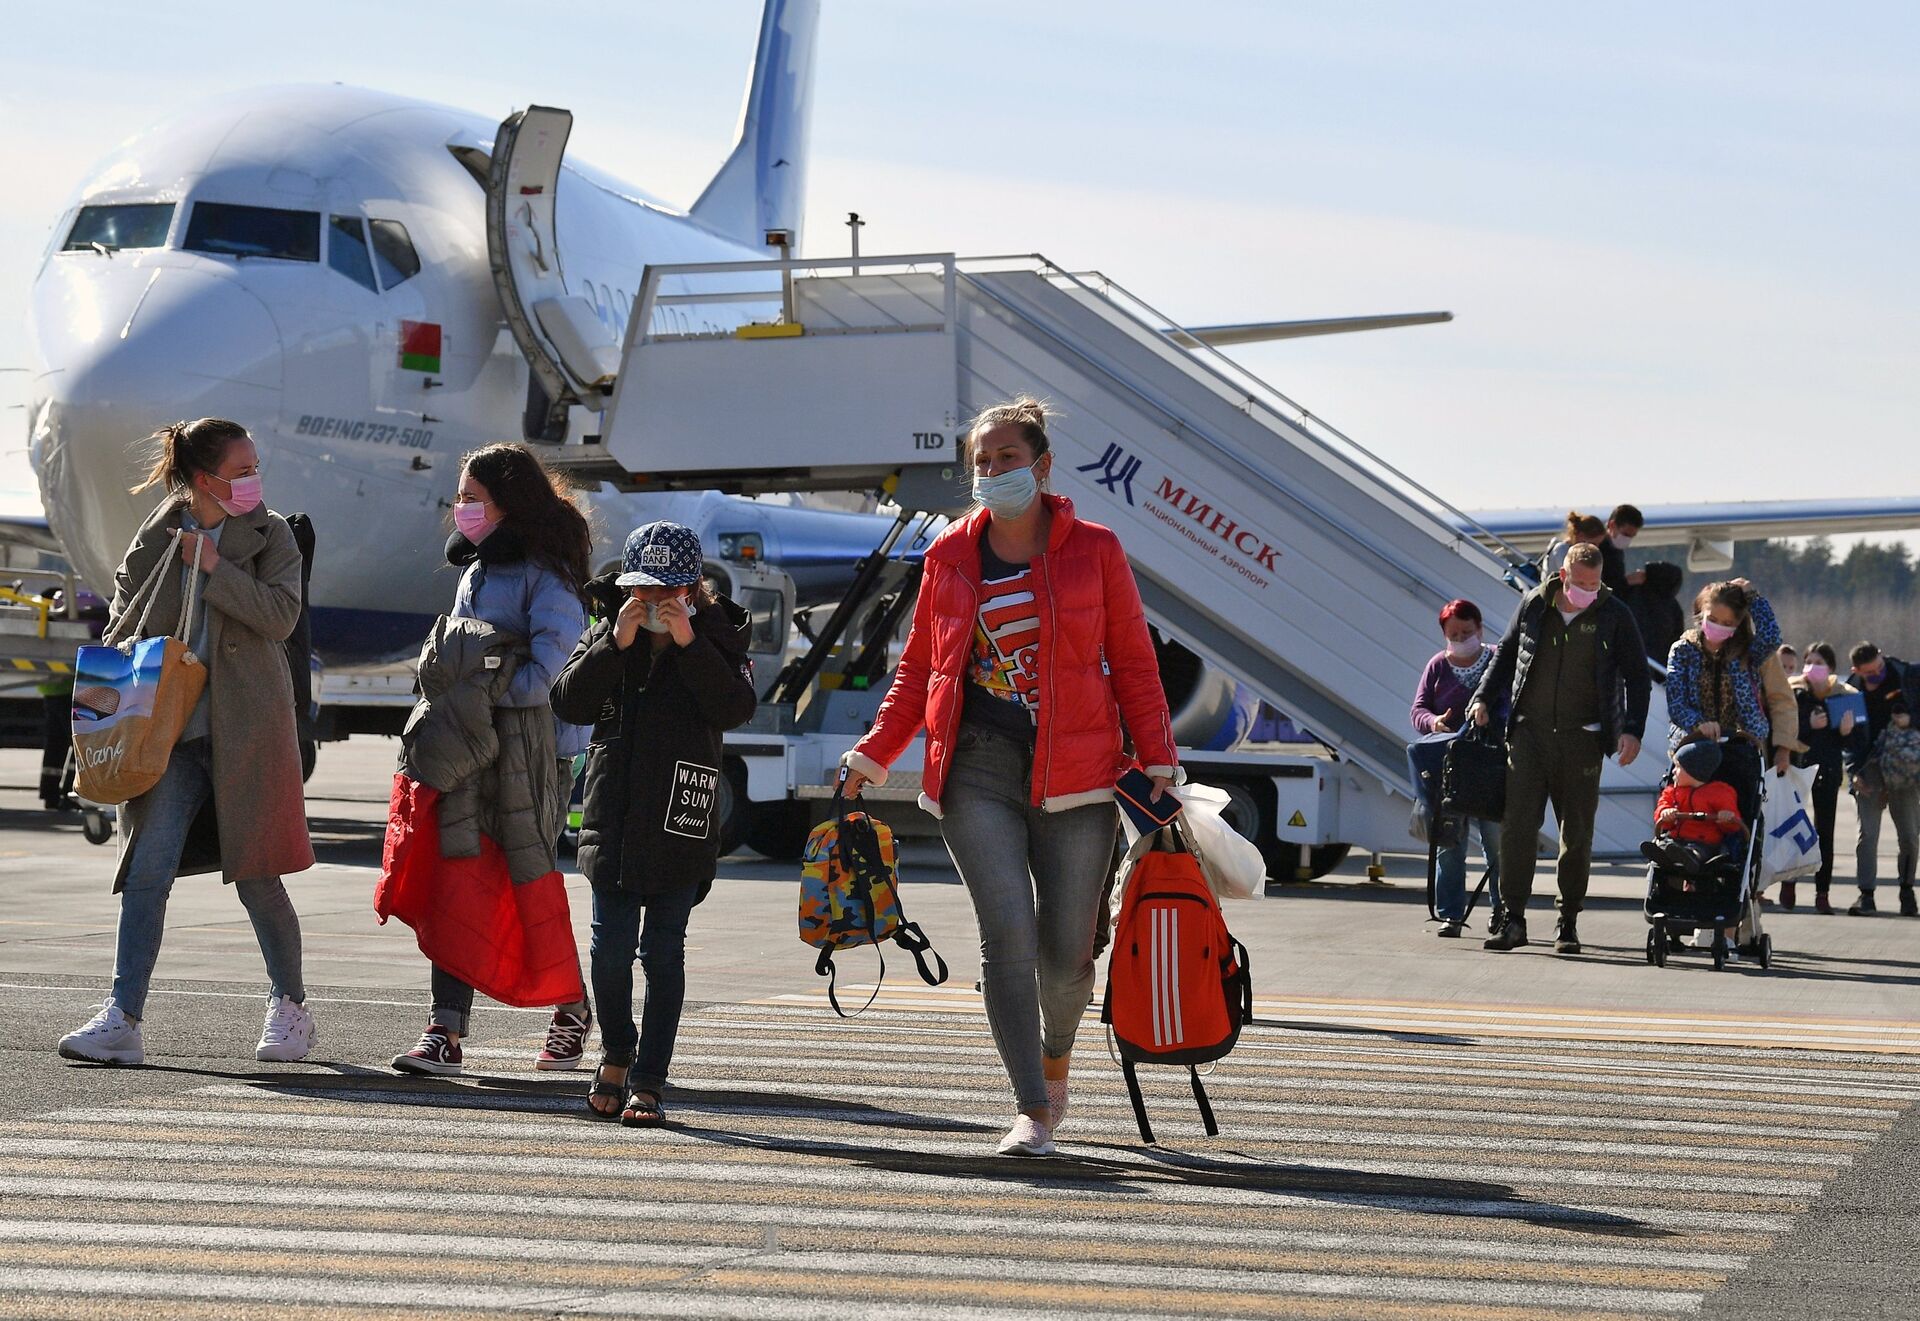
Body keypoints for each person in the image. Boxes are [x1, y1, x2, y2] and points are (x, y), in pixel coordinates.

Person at [839, 397, 1178, 1157]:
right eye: (981, 463)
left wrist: (1157, 754)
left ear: (1043, 465)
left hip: (1081, 773)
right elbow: (920, 670)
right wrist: (874, 750)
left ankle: (1056, 1060)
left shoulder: (1096, 549)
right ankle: (1029, 1105)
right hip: (976, 771)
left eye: (1006, 459)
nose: (992, 473)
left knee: (1066, 957)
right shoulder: (949, 556)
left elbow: (1132, 660)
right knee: (1007, 938)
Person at [58, 418, 316, 1065]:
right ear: (204, 480)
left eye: (255, 466)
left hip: (248, 732)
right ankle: (123, 1017)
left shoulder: (273, 533)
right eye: (242, 470)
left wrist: (217, 568)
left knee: (258, 877)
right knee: (147, 873)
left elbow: (282, 615)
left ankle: (290, 1007)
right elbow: (125, 606)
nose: (255, 479)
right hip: (167, 735)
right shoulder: (163, 530)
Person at [391, 443, 595, 1075]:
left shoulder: (550, 576)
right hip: (469, 750)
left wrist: (474, 680)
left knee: (525, 881)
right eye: (461, 497)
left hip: (532, 758)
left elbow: (548, 678)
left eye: (472, 498)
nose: (460, 509)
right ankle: (444, 1030)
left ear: (508, 503)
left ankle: (571, 1005)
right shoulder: (476, 571)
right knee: (457, 879)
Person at [550, 521, 759, 1125]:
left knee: (664, 953)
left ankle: (648, 1078)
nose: (654, 605)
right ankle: (616, 1051)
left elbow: (735, 708)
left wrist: (691, 642)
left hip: (681, 820)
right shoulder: (610, 632)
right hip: (612, 821)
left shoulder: (718, 638)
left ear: (694, 589)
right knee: (609, 953)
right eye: (643, 591)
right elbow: (568, 702)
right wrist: (615, 642)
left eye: (668, 593)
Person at [1470, 541, 1649, 955]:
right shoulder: (1534, 604)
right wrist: (1481, 697)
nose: (1588, 590)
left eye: (1595, 583)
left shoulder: (1615, 615)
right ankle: (1512, 918)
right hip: (1529, 736)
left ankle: (1567, 921)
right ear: (1563, 575)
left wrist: (1632, 730)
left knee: (1577, 834)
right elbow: (1506, 653)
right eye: (1580, 583)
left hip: (1582, 739)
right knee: (1517, 829)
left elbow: (1637, 677)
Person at [1664, 583, 1799, 826]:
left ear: (1737, 625)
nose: (1718, 627)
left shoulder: (1747, 652)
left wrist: (1753, 597)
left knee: (1741, 808)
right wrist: (1698, 724)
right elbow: (1676, 701)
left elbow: (1771, 637)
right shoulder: (1683, 650)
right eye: (1713, 619)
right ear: (1700, 614)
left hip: (1740, 743)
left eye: (1727, 623)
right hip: (1694, 745)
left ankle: (1738, 853)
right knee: (1688, 805)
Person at [1409, 599, 1502, 937]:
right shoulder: (1437, 665)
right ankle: (1451, 914)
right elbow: (1418, 709)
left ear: (1480, 629)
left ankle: (1502, 912)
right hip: (1450, 771)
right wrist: (1434, 723)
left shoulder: (1495, 659)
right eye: (1454, 634)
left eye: (1467, 632)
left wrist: (1492, 716)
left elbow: (1512, 699)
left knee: (1497, 844)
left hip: (1491, 765)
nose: (1462, 638)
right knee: (1449, 845)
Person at [1787, 642, 1865, 913]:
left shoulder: (1843, 696)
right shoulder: (1796, 694)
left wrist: (1846, 731)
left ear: (1831, 668)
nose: (1812, 667)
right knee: (1794, 829)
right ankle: (1789, 880)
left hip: (1829, 771)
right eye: (1808, 661)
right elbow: (1785, 731)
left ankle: (1822, 892)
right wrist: (1809, 726)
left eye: (1819, 662)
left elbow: (1857, 742)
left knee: (1824, 834)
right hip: (1798, 768)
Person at [1845, 643, 1920, 915]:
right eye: (1870, 673)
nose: (1877, 674)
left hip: (1903, 766)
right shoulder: (1851, 689)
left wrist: (1911, 719)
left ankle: (1907, 889)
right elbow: (1848, 740)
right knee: (1867, 834)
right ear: (1857, 671)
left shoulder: (1907, 675)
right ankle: (1866, 894)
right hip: (1869, 767)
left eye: (1879, 668)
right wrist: (1853, 771)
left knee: (1910, 835)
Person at [1644, 738, 1746, 870]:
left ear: (1694, 771)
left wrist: (1726, 818)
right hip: (1675, 839)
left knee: (1700, 850)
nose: (1673, 771)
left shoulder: (1720, 792)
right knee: (1666, 844)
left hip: (1705, 842)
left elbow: (1733, 824)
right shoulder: (1672, 791)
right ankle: (1663, 855)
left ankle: (1690, 857)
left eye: (1678, 767)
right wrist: (1665, 812)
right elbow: (1662, 809)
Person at [1625, 560, 1687, 670]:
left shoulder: (1632, 594)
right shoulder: (1673, 607)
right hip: (1659, 669)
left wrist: (1623, 583)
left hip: (1628, 663)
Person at [1539, 511, 1606, 580]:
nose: (1596, 547)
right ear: (1580, 536)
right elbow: (1571, 577)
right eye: (1593, 543)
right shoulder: (1561, 550)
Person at [1601, 504, 1646, 596]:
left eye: (1631, 537)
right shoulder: (1597, 550)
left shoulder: (1616, 550)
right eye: (1625, 534)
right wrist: (1628, 581)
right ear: (1612, 525)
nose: (1627, 540)